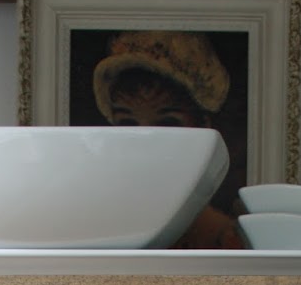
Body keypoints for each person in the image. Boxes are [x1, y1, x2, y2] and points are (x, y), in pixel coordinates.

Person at [91, 29, 242, 248]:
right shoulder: (97, 227)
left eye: (168, 126)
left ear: (204, 129)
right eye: (128, 125)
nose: (145, 146)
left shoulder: (221, 236)